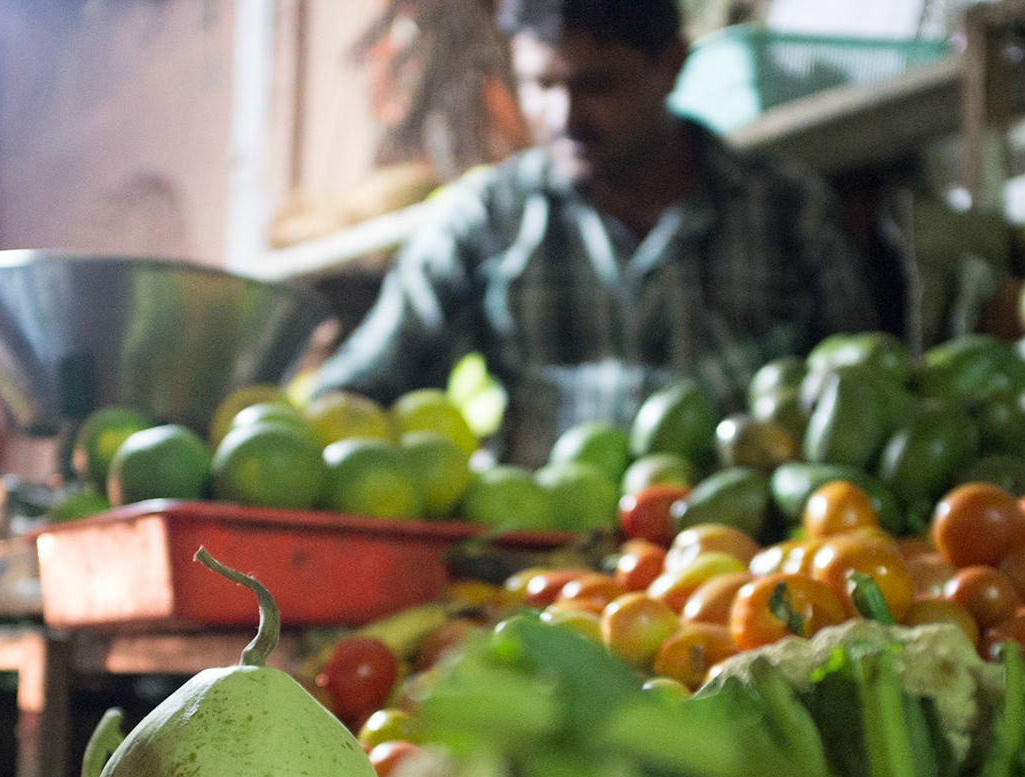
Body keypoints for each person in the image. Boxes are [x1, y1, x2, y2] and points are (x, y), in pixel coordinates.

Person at [307, 0, 876, 466]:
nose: (564, 116)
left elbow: (860, 398)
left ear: (672, 65)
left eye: (596, 85)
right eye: (540, 84)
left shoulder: (787, 211)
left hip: (738, 567)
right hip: (536, 562)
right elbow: (366, 382)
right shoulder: (485, 219)